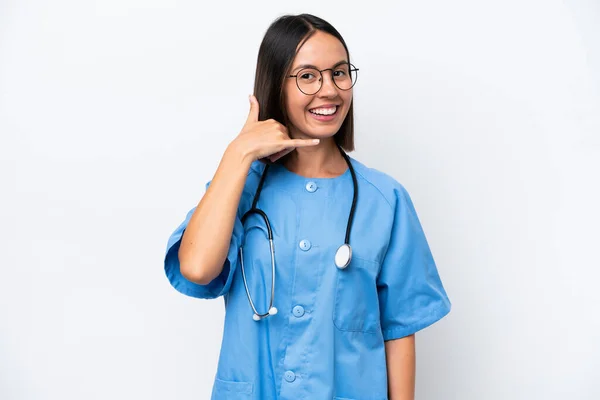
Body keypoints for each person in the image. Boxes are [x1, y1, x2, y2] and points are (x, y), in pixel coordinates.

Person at [164, 13, 451, 400]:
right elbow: (197, 268)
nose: (329, 90)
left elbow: (399, 330)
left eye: (339, 73)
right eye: (308, 76)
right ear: (276, 86)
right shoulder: (241, 187)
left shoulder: (385, 200)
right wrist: (239, 152)